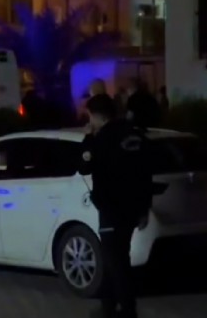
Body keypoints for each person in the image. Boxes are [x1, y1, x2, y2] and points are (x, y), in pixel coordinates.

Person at [79, 94, 153, 318]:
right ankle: (108, 306)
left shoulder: (102, 139)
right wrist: (144, 208)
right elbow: (145, 174)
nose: (90, 121)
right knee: (118, 257)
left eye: (90, 117)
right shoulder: (135, 135)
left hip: (112, 208)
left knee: (115, 260)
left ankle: (127, 309)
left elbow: (84, 166)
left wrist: (88, 139)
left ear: (98, 116)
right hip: (132, 208)